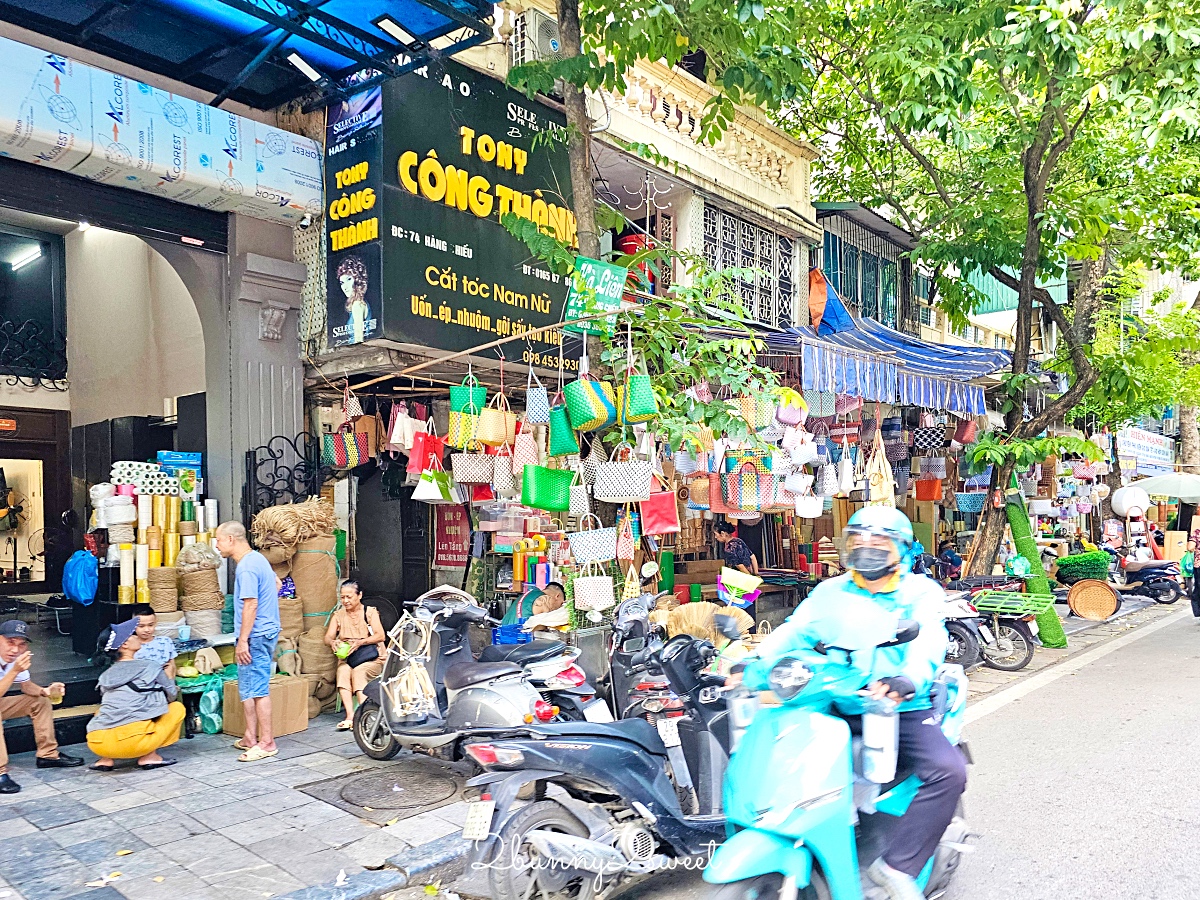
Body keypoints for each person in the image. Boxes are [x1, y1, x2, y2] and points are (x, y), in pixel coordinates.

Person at [738, 507, 965, 900]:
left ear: (902, 549)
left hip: (896, 705)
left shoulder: (920, 592)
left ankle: (896, 867)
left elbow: (929, 638)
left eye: (879, 542)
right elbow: (795, 630)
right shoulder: (830, 592)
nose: (867, 549)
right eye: (859, 541)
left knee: (949, 771)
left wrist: (906, 680)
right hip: (833, 699)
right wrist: (751, 663)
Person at [216, 521, 281, 762]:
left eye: (219, 540)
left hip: (256, 634)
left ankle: (267, 742)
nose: (217, 545)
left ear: (231, 540)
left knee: (258, 689)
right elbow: (276, 584)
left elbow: (251, 604)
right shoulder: (258, 559)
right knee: (248, 685)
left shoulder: (246, 568)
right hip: (264, 629)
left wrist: (243, 640)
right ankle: (249, 737)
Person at [87, 619, 185, 771]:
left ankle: (105, 760)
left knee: (103, 710)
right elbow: (171, 695)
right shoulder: (150, 666)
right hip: (134, 742)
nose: (137, 636)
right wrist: (170, 676)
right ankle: (149, 756)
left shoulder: (105, 676)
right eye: (132, 634)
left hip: (97, 742)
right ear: (125, 644)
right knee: (177, 708)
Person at [0, 620, 82, 793]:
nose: (15, 650)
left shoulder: (16, 660)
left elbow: (26, 686)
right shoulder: (15, 664)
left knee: (39, 701)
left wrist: (46, 691)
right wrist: (14, 670)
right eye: (10, 642)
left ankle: (48, 755)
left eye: (21, 644)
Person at [325, 580, 386, 731]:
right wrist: (332, 642)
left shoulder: (370, 613)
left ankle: (365, 715)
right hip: (349, 658)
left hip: (373, 658)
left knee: (359, 672)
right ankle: (350, 716)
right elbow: (327, 637)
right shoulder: (338, 615)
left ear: (359, 596)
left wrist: (360, 642)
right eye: (342, 597)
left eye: (349, 597)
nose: (345, 601)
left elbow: (380, 636)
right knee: (343, 671)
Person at [131, 604, 177, 679]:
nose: (147, 630)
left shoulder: (165, 642)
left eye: (150, 625)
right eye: (141, 626)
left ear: (155, 623)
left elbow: (172, 667)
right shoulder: (129, 644)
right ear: (133, 625)